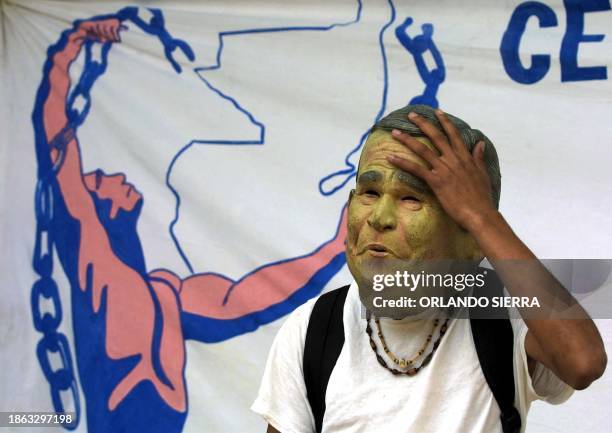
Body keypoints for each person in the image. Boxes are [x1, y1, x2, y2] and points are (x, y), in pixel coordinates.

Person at [34, 13, 347, 433]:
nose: (115, 177)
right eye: (99, 181)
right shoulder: (97, 267)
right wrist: (70, 44)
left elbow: (252, 297)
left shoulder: (169, 293)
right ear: (91, 206)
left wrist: (335, 245)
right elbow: (54, 142)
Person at [251, 104, 607, 432]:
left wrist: (482, 217)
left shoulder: (503, 313)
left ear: (470, 235)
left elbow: (582, 362)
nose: (379, 218)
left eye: (411, 198)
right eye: (369, 192)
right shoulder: (313, 328)